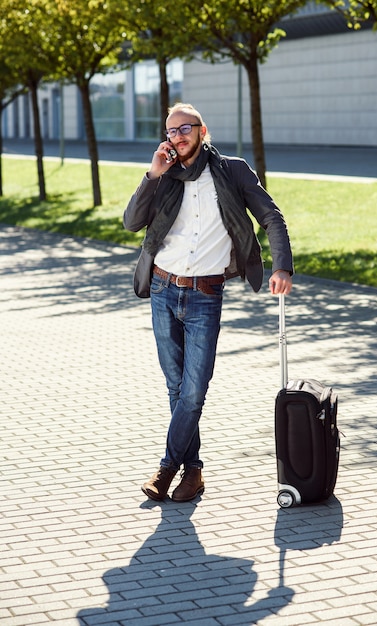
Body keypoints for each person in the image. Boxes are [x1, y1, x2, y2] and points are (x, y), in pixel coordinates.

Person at [123, 102, 293, 503]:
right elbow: (132, 222)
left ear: (203, 131)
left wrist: (281, 266)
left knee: (194, 391)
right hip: (164, 290)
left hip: (205, 295)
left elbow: (271, 216)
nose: (177, 137)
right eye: (170, 132)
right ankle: (193, 473)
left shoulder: (232, 171)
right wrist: (152, 175)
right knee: (175, 387)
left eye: (185, 129)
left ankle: (166, 468)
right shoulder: (163, 175)